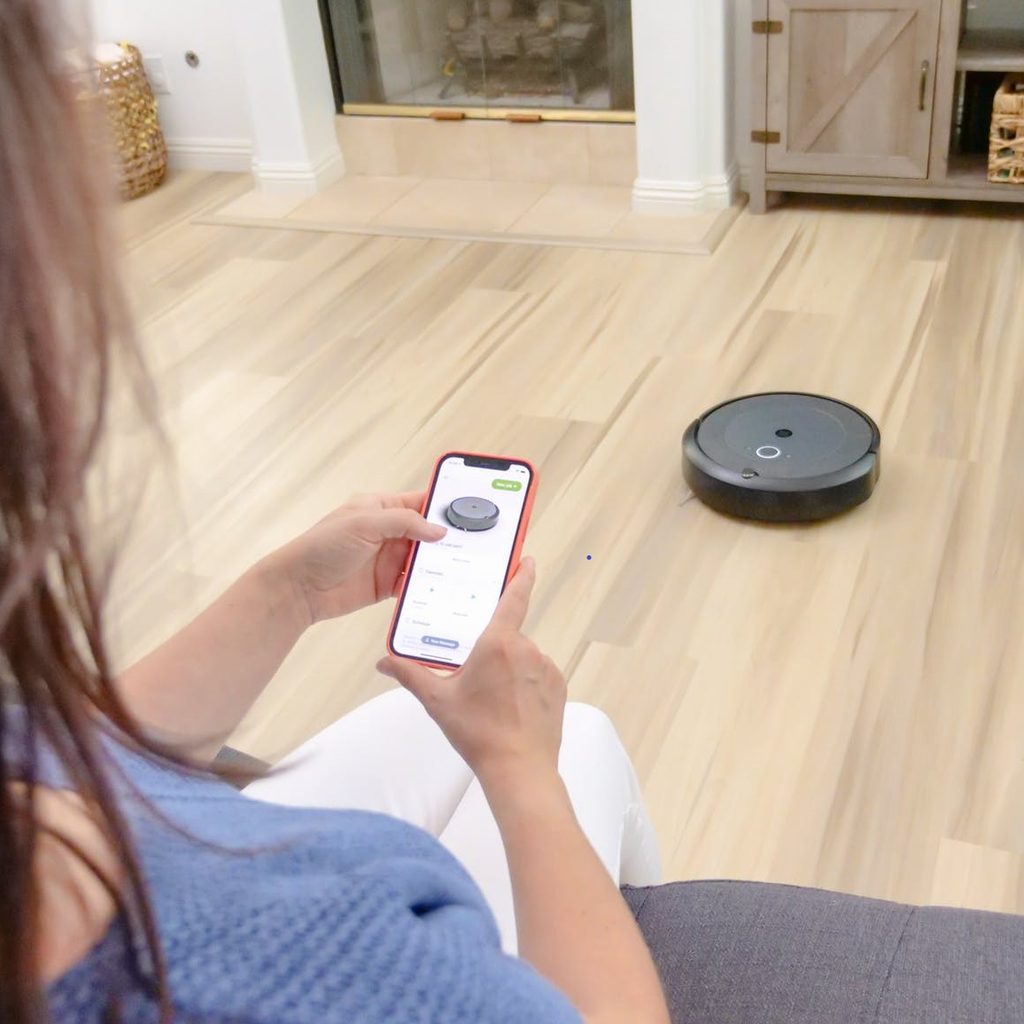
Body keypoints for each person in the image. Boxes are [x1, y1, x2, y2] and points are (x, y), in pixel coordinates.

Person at [0, 2, 670, 1023]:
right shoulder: (300, 970)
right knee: (579, 739)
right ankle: (653, 926)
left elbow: (65, 751)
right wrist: (517, 771)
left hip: (176, 842)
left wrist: (287, 592)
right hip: (246, 894)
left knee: (437, 715)